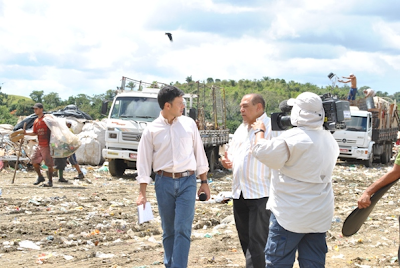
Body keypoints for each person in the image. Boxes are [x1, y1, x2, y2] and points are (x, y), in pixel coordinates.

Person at [251, 92, 339, 267]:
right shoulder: (329, 139)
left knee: (278, 261)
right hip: (319, 216)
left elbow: (261, 151)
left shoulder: (291, 139)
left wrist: (259, 131)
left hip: (289, 216)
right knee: (314, 263)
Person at [135, 85, 210, 268]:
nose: (183, 106)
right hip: (163, 182)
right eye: (180, 103)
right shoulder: (151, 130)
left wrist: (204, 182)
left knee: (183, 229)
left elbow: (199, 153)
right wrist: (142, 193)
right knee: (168, 230)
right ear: (167, 105)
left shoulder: (189, 124)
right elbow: (143, 162)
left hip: (188, 181)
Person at [221, 93, 273, 268]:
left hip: (260, 193)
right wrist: (227, 162)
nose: (241, 110)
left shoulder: (271, 128)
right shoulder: (241, 129)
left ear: (258, 107)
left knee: (258, 242)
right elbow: (234, 155)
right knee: (246, 240)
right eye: (241, 107)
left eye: (245, 106)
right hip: (240, 193)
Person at [24, 103, 54, 187]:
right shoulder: (36, 121)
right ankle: (40, 177)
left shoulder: (47, 120)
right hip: (40, 144)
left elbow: (54, 129)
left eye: (36, 109)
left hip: (47, 144)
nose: (35, 110)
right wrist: (25, 133)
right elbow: (35, 133)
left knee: (49, 163)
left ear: (41, 109)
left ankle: (50, 181)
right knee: (34, 161)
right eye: (34, 109)